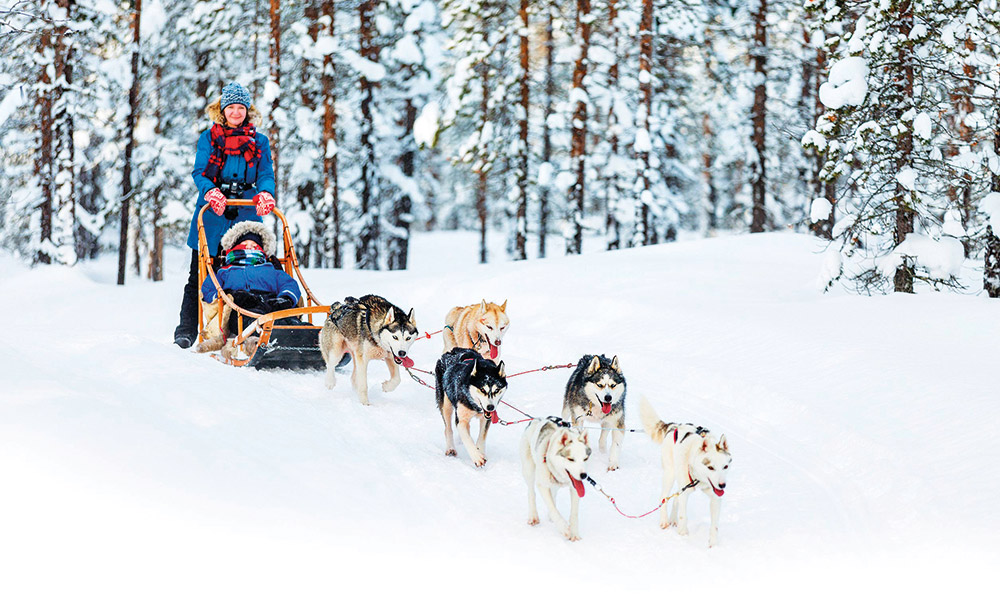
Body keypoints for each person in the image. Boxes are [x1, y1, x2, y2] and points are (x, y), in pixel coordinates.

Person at [173, 82, 277, 348]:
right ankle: (187, 330)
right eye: (231, 107)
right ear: (222, 110)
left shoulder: (260, 141)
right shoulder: (209, 138)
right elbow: (200, 172)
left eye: (240, 107)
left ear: (247, 110)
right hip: (212, 213)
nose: (236, 112)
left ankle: (250, 325)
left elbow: (265, 174)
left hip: (246, 210)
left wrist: (265, 193)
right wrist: (211, 192)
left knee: (250, 268)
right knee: (200, 272)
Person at [201, 221, 301, 341]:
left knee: (288, 320)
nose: (249, 247)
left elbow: (289, 284)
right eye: (244, 244)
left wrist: (286, 298)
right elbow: (208, 290)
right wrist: (229, 295)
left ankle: (306, 335)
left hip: (271, 304)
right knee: (252, 321)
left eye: (254, 246)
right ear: (234, 247)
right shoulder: (224, 271)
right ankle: (272, 337)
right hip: (240, 308)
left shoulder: (271, 268)